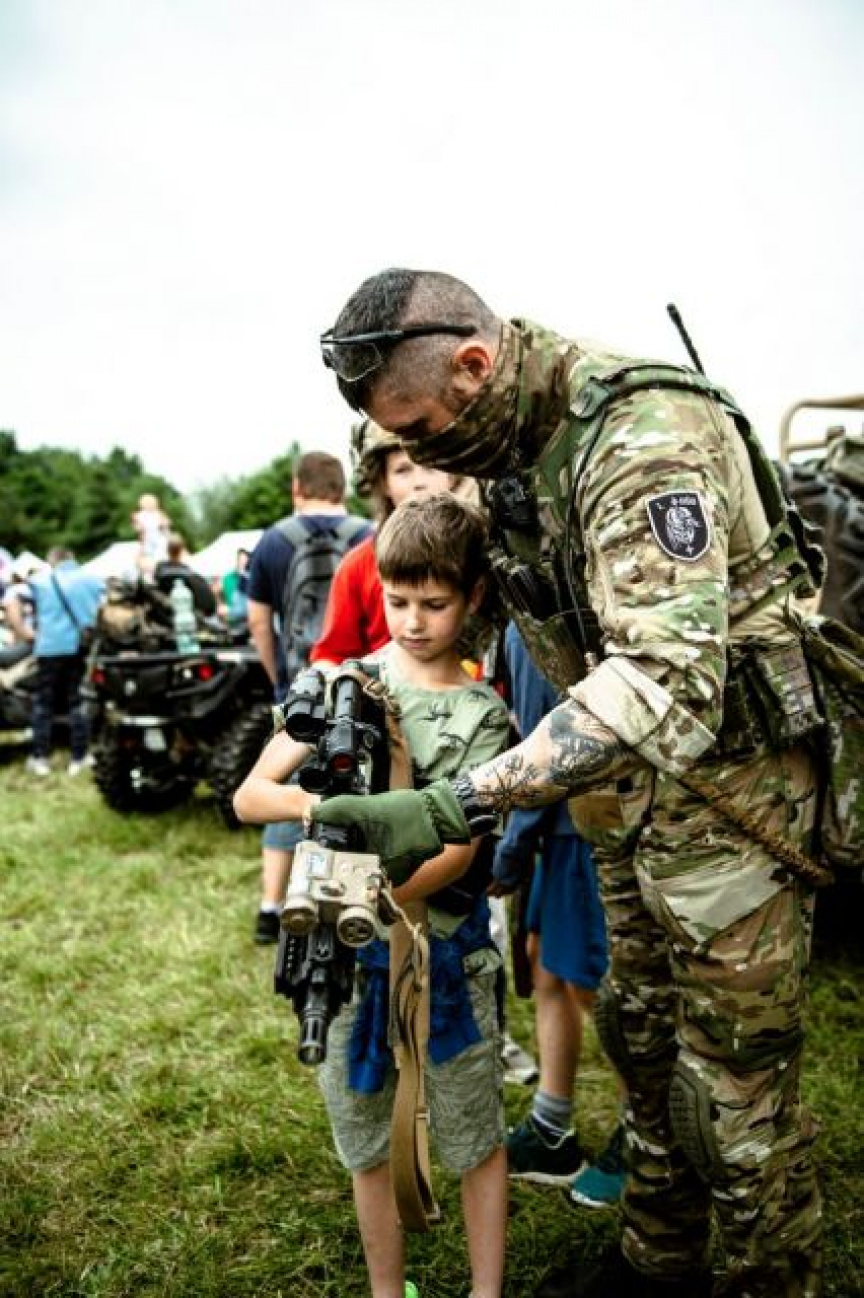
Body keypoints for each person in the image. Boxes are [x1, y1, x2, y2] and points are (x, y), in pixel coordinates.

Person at [311, 269, 827, 1298]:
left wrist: (459, 800)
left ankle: (769, 1276)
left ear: (473, 366)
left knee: (737, 1078)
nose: (423, 463)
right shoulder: (510, 445)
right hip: (627, 796)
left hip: (734, 798)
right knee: (640, 1031)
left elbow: (665, 675)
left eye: (422, 432)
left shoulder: (640, 433)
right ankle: (659, 1255)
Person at [234, 494, 511, 1298]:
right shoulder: (343, 684)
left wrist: (376, 880)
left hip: (445, 955)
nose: (414, 622)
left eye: (435, 603)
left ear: (473, 598)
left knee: (472, 1134)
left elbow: (459, 854)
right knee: (364, 1139)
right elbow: (251, 796)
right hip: (346, 956)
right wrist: (323, 812)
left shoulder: (483, 716)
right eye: (398, 601)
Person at [493, 621, 626, 1207]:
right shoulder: (522, 620)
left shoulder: (531, 625)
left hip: (585, 825)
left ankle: (647, 1139)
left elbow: (544, 757)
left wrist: (510, 851)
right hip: (567, 826)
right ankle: (552, 1127)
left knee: (598, 987)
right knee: (546, 963)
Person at [245, 451, 372, 944]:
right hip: (360, 689)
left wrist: (279, 677)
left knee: (284, 789)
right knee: (358, 790)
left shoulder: (273, 540)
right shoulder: (368, 536)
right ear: (342, 488)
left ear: (297, 488)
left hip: (300, 690)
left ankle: (271, 906)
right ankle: (350, 900)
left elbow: (259, 620)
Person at [21, 546, 105, 777]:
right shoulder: (91, 579)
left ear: (52, 561)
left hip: (49, 647)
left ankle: (40, 757)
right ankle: (79, 756)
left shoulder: (40, 581)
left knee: (44, 702)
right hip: (79, 646)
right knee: (77, 701)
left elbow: (16, 596)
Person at [153, 534, 217, 617]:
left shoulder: (160, 568)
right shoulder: (188, 572)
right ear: (181, 550)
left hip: (165, 610)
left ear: (167, 550)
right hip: (185, 611)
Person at [132, 492, 171, 577]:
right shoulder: (139, 515)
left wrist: (169, 538)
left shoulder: (159, 514)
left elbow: (166, 528)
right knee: (149, 558)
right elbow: (140, 531)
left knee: (161, 557)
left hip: (159, 538)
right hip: (148, 539)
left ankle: (161, 572)